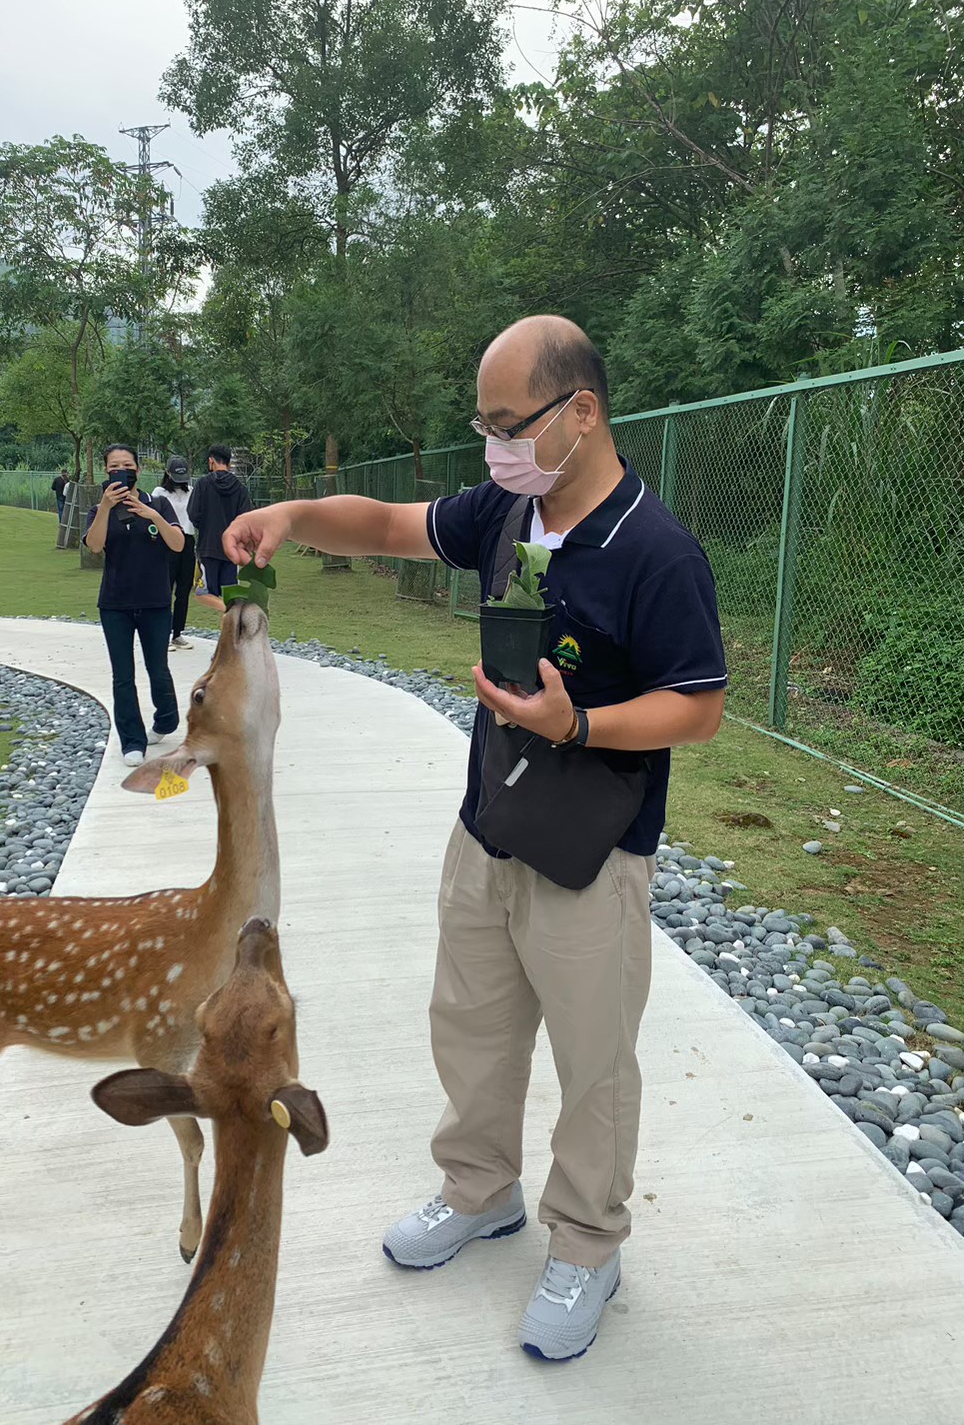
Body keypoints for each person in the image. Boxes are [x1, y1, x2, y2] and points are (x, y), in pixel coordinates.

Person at [222, 316, 727, 1362]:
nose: (494, 446)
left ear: (580, 412)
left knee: (593, 1063)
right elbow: (388, 525)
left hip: (592, 856)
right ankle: (478, 1189)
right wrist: (291, 515)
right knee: (470, 1027)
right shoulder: (508, 510)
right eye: (484, 426)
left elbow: (696, 706)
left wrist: (578, 724)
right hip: (486, 830)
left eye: (508, 424)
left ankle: (585, 1244)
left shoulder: (655, 550)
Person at [83, 445, 185, 767]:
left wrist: (150, 514)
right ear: (106, 471)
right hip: (115, 604)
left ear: (138, 471)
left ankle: (166, 720)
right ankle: (132, 741)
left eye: (128, 466)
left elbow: (178, 544)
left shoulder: (159, 504)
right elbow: (94, 546)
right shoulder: (98, 510)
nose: (122, 471)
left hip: (155, 602)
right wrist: (105, 507)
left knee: (158, 669)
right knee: (123, 675)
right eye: (115, 466)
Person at [187, 445, 252, 599]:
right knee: (229, 596)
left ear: (211, 461)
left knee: (209, 596)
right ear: (229, 463)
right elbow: (246, 518)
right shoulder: (240, 489)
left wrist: (205, 526)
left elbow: (193, 513)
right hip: (231, 548)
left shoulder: (202, 484)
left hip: (208, 547)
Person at [152, 455, 197, 651]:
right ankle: (161, 634)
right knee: (165, 589)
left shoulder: (192, 492)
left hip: (187, 541)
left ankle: (177, 633)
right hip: (167, 541)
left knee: (184, 590)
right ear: (168, 473)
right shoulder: (159, 493)